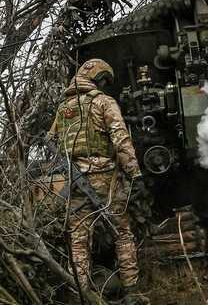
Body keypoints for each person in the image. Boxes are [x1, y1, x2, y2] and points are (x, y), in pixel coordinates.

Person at [48, 58, 149, 305]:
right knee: (122, 234)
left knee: (79, 239)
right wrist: (135, 174)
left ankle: (81, 294)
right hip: (106, 179)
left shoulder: (63, 108)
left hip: (74, 181)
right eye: (104, 80)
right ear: (98, 79)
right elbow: (121, 141)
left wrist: (68, 163)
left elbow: (50, 140)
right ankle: (132, 292)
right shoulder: (104, 102)